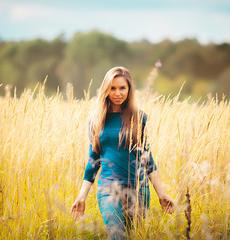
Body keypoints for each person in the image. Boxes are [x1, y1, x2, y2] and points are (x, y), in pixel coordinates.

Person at [71, 66, 174, 239]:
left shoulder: (139, 117)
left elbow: (147, 158)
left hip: (139, 189)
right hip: (108, 188)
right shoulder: (95, 120)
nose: (117, 93)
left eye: (122, 88)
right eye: (112, 88)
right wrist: (82, 196)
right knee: (118, 237)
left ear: (129, 89)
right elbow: (93, 161)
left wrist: (161, 193)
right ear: (106, 89)